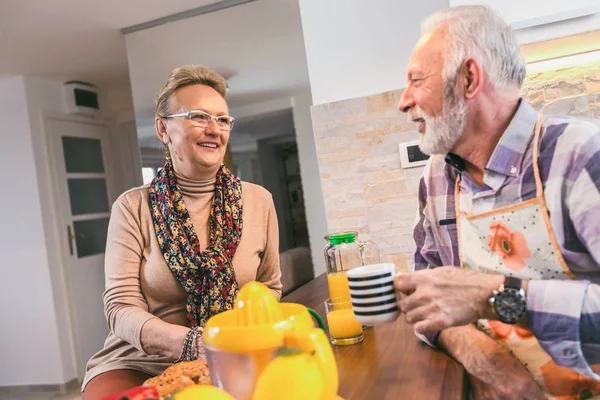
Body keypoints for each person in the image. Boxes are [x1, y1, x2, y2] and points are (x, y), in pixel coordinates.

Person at [393, 5, 600, 399]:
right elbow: (421, 302)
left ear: (469, 77)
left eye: (416, 80)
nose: (404, 101)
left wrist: (496, 295)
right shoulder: (436, 177)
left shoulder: (579, 155)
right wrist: (481, 355)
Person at [82, 65, 282, 399]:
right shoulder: (131, 208)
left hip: (235, 351)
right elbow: (120, 308)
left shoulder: (259, 201)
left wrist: (236, 339)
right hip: (140, 360)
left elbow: (271, 288)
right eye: (199, 116)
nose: (215, 129)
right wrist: (193, 343)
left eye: (222, 119)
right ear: (163, 128)